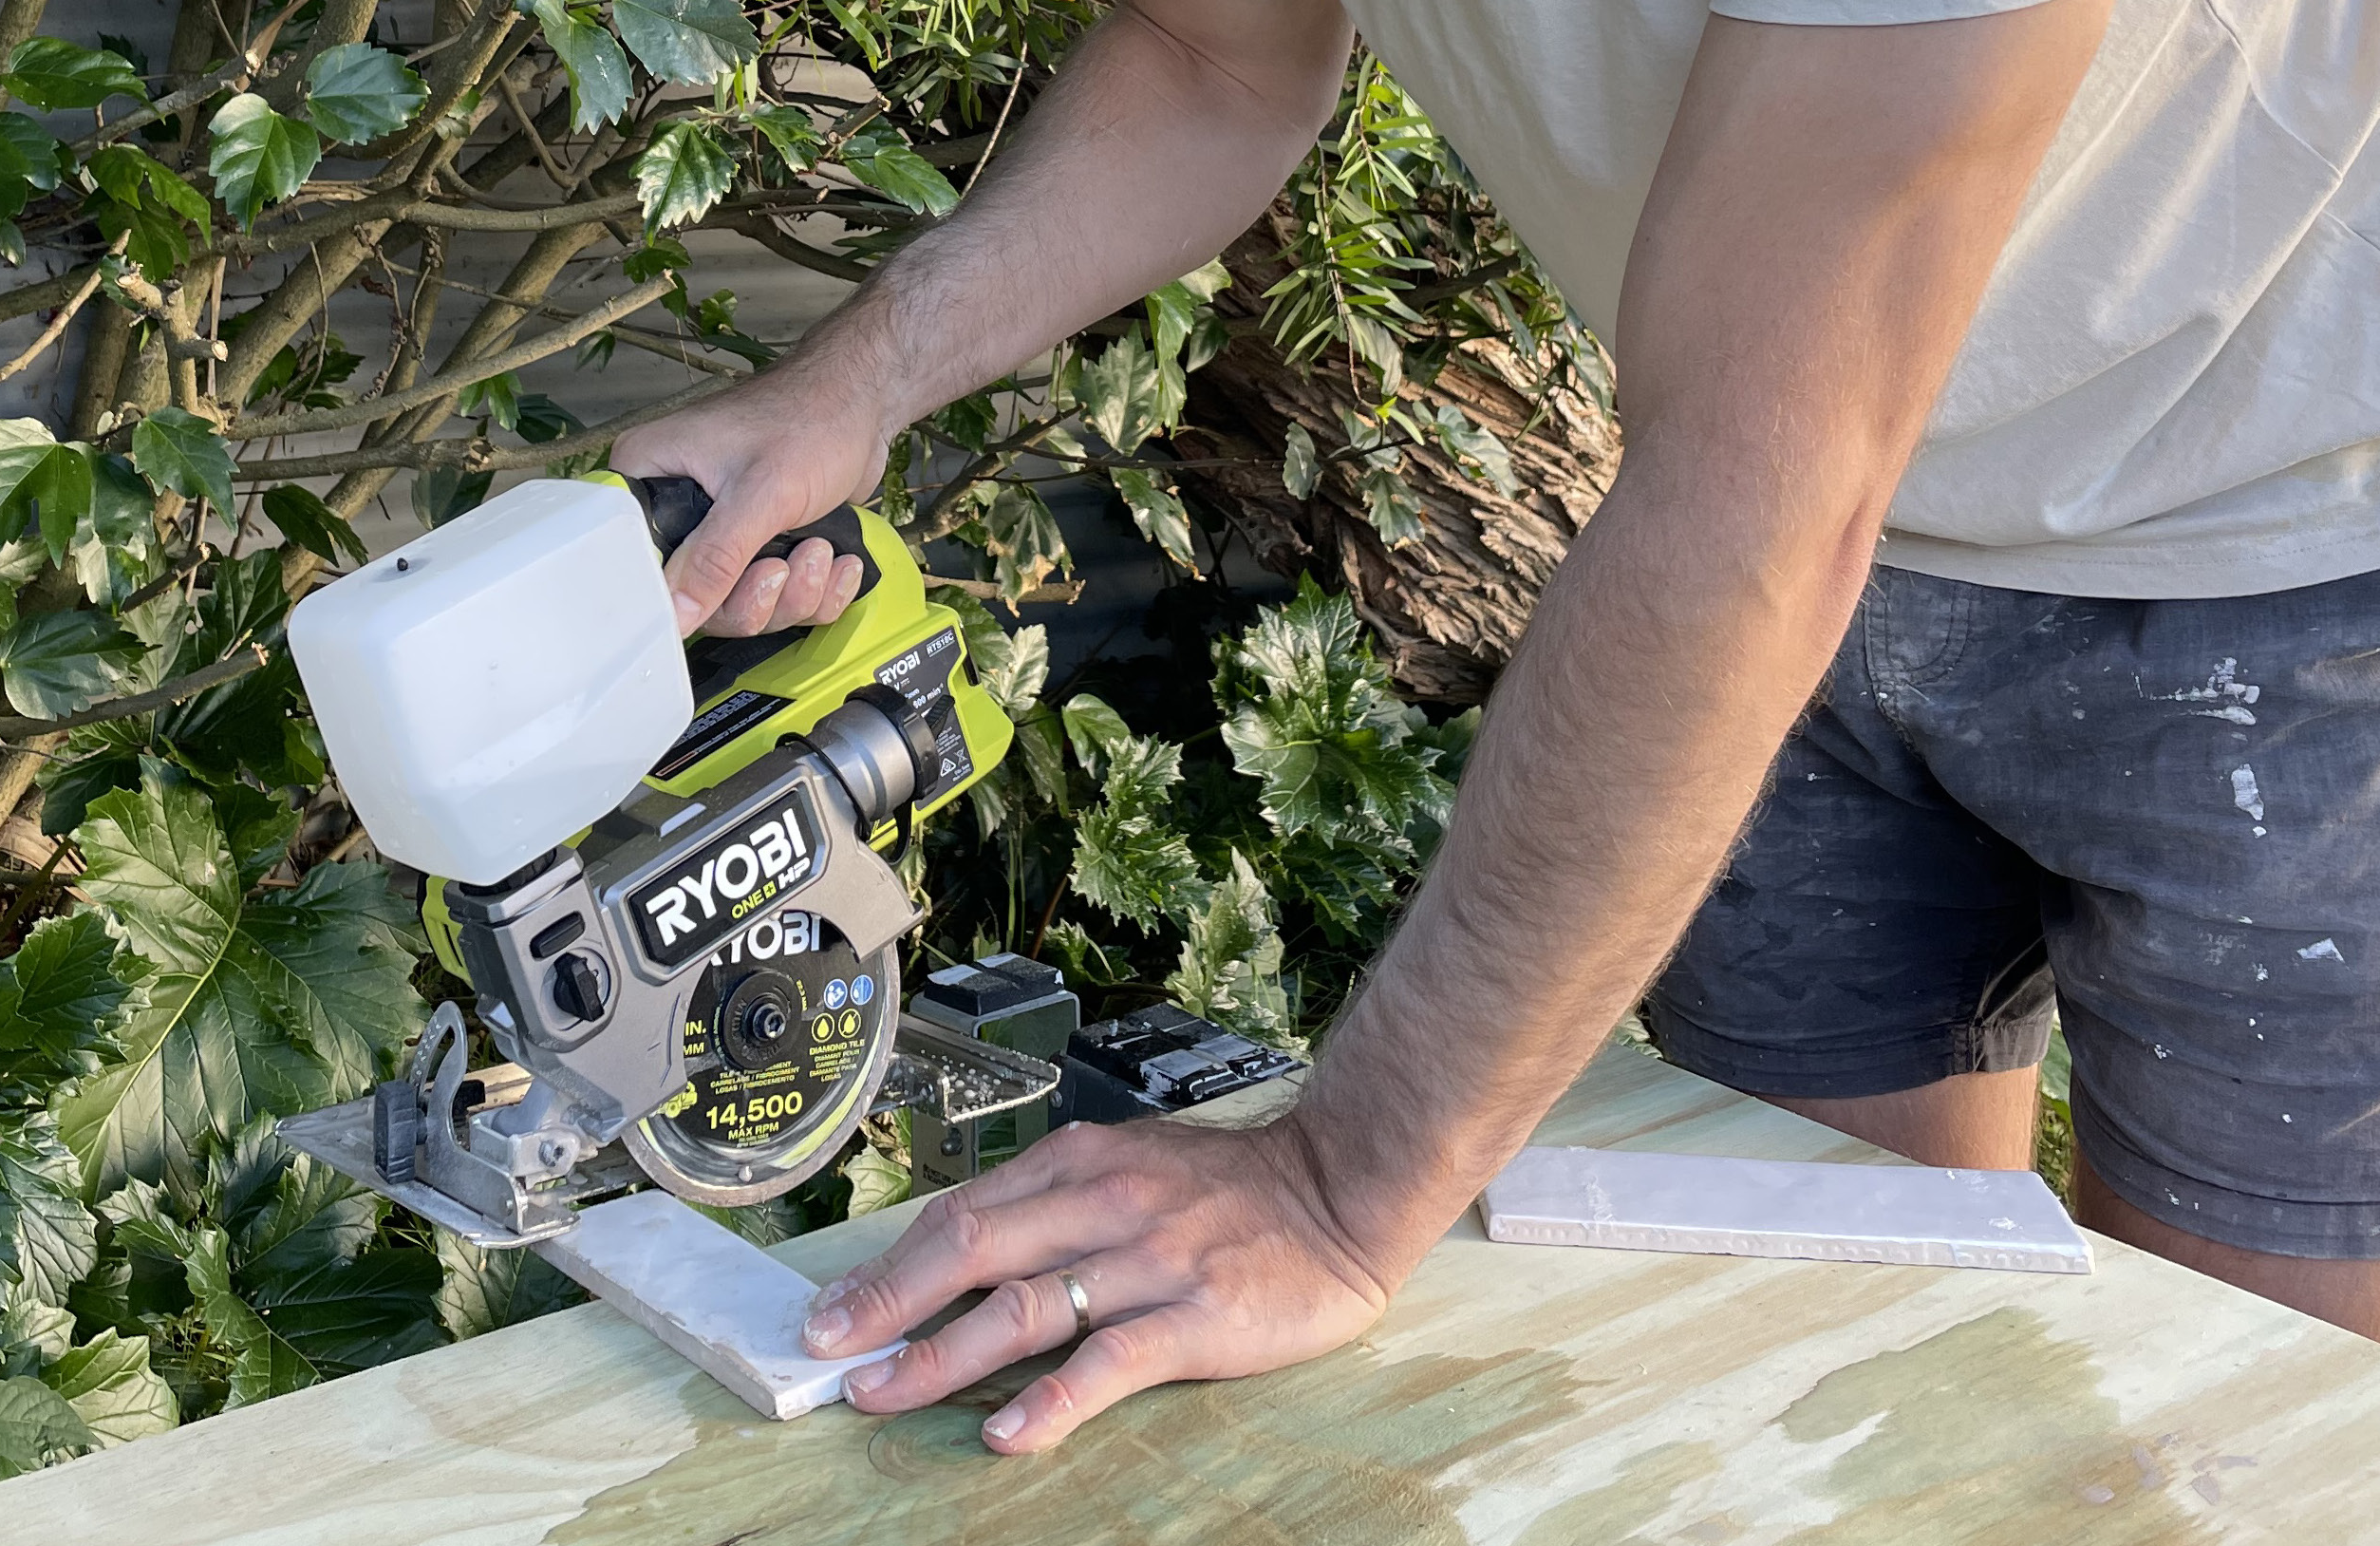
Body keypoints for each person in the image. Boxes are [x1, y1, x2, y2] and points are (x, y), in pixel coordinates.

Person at [609, 0, 2380, 1455]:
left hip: (2293, 539)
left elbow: (1766, 501)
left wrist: (1335, 1185)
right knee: (1835, 1387)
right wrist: (847, 385)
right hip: (1779, 513)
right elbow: (1212, 53)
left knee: (2254, 1444)